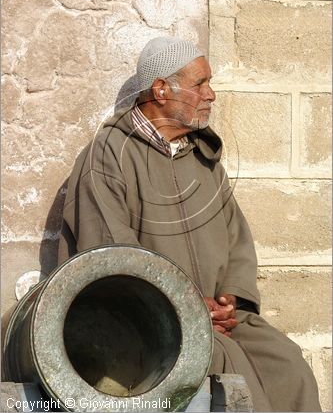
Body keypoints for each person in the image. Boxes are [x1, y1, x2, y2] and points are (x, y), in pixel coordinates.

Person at [59, 36, 321, 412]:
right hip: (148, 324)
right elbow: (109, 255)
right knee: (231, 378)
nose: (211, 94)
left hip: (218, 320)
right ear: (161, 89)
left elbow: (237, 240)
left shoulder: (204, 161)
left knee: (288, 365)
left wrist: (230, 298)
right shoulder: (108, 156)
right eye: (200, 84)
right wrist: (181, 306)